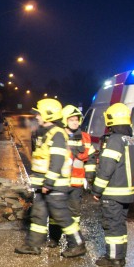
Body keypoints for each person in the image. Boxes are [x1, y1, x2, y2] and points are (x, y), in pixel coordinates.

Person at [15, 98, 86, 257]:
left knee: (61, 215)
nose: (37, 116)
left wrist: (49, 182)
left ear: (48, 114)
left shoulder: (57, 134)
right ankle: (33, 245)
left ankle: (78, 244)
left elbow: (57, 160)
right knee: (38, 213)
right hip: (43, 185)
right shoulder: (44, 132)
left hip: (54, 185)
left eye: (39, 113)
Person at [92, 103, 134, 267]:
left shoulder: (115, 140)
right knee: (119, 225)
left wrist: (96, 189)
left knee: (112, 226)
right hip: (126, 191)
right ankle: (120, 256)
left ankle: (113, 259)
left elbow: (106, 168)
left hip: (113, 192)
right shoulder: (130, 139)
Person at [48, 105, 97, 247]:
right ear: (65, 120)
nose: (75, 122)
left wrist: (89, 177)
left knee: (74, 214)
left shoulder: (85, 138)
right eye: (71, 120)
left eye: (77, 120)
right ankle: (54, 238)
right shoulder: (57, 135)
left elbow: (91, 157)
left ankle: (73, 242)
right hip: (59, 182)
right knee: (56, 213)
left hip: (76, 184)